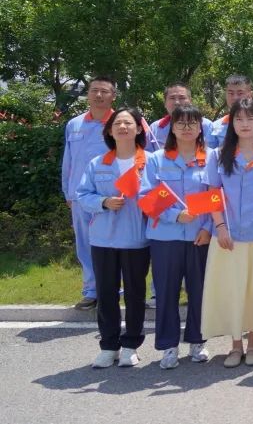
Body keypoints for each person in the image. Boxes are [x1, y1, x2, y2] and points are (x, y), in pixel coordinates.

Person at [202, 99, 253, 368]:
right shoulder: (218, 155)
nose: (245, 124)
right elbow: (212, 194)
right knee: (233, 290)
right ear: (231, 123)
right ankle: (235, 345)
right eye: (239, 119)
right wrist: (220, 227)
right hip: (229, 237)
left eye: (251, 118)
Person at [75, 107, 151, 368]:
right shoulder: (98, 163)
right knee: (106, 293)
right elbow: (83, 195)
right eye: (117, 123)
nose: (122, 127)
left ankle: (131, 345)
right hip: (103, 239)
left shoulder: (151, 161)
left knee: (135, 293)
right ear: (109, 130)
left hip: (136, 239)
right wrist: (104, 202)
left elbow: (162, 194)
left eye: (128, 123)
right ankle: (109, 345)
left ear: (139, 129)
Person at [141, 104, 213, 369]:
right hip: (165, 237)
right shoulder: (156, 159)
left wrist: (208, 228)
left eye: (192, 123)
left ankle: (198, 341)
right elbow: (145, 197)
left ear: (200, 128)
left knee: (200, 291)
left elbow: (216, 197)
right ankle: (168, 346)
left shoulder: (211, 158)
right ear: (172, 128)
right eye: (180, 123)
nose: (186, 128)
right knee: (166, 293)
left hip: (199, 237)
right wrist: (175, 215)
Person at [62, 76, 116, 310]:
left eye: (104, 91)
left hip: (112, 198)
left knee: (114, 245)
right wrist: (68, 192)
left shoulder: (121, 122)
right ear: (88, 94)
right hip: (80, 197)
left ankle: (114, 290)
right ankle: (91, 291)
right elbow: (68, 161)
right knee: (84, 245)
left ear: (113, 96)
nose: (98, 95)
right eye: (94, 90)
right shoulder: (74, 124)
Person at [205, 75, 253, 149]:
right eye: (231, 93)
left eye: (240, 93)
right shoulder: (215, 127)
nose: (235, 98)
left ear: (250, 95)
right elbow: (209, 154)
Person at [147, 83, 213, 153]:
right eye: (172, 98)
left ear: (190, 101)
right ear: (165, 103)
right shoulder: (154, 128)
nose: (177, 102)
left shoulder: (206, 125)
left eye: (182, 98)